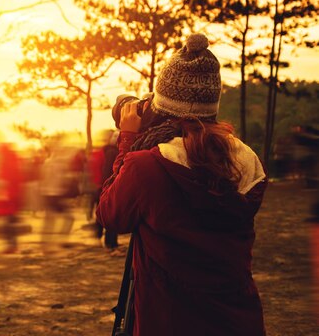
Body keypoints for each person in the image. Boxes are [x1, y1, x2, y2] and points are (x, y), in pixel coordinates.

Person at [97, 34, 267, 335]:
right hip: (236, 320)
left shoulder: (145, 166)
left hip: (167, 319)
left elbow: (111, 214)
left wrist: (128, 139)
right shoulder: (246, 165)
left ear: (162, 108)